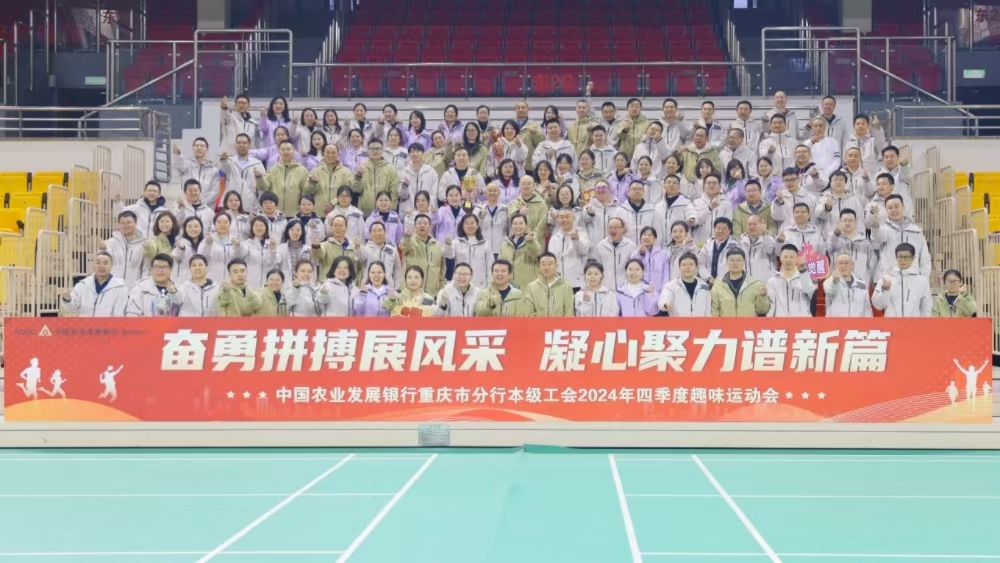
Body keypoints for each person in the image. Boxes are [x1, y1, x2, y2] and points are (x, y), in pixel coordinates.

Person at [871, 194, 930, 278]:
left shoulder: (916, 231)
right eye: (890, 208)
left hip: (913, 279)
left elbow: (925, 259)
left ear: (903, 207)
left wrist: (923, 279)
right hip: (890, 279)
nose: (893, 210)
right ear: (886, 211)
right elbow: (876, 236)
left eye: (896, 206)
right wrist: (875, 225)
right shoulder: (884, 230)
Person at [58, 251, 128, 317]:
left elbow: (119, 314)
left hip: (109, 326)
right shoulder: (83, 285)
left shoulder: (120, 287)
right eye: (98, 263)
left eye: (105, 263)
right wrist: (67, 298)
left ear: (111, 266)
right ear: (93, 265)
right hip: (85, 325)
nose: (101, 266)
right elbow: (70, 308)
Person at [872, 243, 932, 317]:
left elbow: (926, 307)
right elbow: (878, 305)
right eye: (900, 256)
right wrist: (884, 290)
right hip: (892, 323)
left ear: (913, 258)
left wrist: (924, 323)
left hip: (914, 323)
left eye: (906, 257)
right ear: (896, 257)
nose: (903, 260)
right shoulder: (886, 279)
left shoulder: (921, 281)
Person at [710, 247, 770, 317]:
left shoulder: (755, 283)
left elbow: (762, 310)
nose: (735, 263)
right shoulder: (718, 285)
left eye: (738, 260)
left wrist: (762, 296)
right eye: (732, 260)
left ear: (744, 262)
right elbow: (714, 310)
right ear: (726, 262)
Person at [259, 140, 313, 217]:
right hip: (276, 214)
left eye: (288, 149)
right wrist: (259, 178)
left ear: (293, 151)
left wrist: (313, 181)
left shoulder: (302, 170)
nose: (286, 152)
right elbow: (265, 187)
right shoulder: (273, 170)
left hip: (295, 214)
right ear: (279, 151)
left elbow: (306, 192)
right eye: (283, 149)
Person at [172, 137, 227, 209]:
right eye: (196, 146)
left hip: (206, 208)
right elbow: (178, 163)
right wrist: (178, 154)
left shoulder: (213, 170)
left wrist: (199, 203)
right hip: (187, 207)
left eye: (202, 146)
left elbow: (215, 192)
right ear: (193, 148)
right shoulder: (187, 166)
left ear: (207, 149)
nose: (199, 148)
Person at [765, 244, 816, 317]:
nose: (788, 260)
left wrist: (803, 270)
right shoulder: (772, 281)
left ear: (797, 258)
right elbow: (771, 305)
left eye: (792, 257)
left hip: (801, 321)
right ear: (780, 258)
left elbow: (810, 292)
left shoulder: (803, 277)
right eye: (785, 257)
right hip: (780, 322)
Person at [401, 214, 446, 296]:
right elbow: (403, 246)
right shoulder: (410, 241)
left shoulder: (438, 245)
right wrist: (406, 237)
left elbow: (442, 269)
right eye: (419, 223)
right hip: (411, 292)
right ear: (414, 227)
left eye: (425, 223)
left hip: (432, 292)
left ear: (430, 227)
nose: (422, 225)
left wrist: (441, 286)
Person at [100, 210, 145, 289]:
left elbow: (146, 269)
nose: (125, 225)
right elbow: (102, 264)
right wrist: (102, 249)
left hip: (134, 290)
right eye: (122, 223)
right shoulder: (110, 243)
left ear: (135, 223)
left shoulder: (143, 244)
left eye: (128, 222)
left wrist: (142, 288)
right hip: (113, 289)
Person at [827, 209, 875, 284]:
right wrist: (836, 232)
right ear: (840, 222)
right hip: (838, 284)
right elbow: (830, 245)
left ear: (855, 222)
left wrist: (867, 280)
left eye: (850, 220)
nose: (847, 223)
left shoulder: (865, 242)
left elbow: (872, 265)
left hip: (860, 284)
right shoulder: (835, 239)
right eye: (844, 220)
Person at [549, 208, 591, 291]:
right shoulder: (554, 238)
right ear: (558, 219)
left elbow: (583, 251)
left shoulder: (581, 234)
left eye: (567, 217)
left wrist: (576, 240)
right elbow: (552, 260)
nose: (564, 219)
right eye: (561, 217)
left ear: (574, 218)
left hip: (577, 282)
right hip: (559, 282)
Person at [198, 212, 245, 286]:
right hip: (212, 280)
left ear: (230, 224)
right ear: (214, 224)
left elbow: (240, 259)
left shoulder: (235, 240)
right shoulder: (208, 239)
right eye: (219, 222)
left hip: (231, 280)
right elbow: (201, 258)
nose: (222, 225)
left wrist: (238, 247)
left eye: (225, 222)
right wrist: (208, 244)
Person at [658, 253, 711, 317]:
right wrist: (666, 304)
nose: (687, 267)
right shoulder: (671, 286)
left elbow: (708, 311)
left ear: (696, 267)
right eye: (684, 265)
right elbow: (663, 300)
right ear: (679, 267)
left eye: (691, 264)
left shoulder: (704, 287)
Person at [814, 170, 864, 240]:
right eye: (835, 180)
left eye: (841, 180)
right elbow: (818, 215)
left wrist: (859, 238)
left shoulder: (854, 200)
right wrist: (826, 208)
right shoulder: (823, 198)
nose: (838, 182)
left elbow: (860, 221)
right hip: (829, 240)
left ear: (846, 183)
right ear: (830, 183)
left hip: (851, 240)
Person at [308, 144, 355, 215]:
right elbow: (308, 191)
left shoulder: (346, 172)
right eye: (327, 152)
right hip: (319, 213)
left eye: (333, 152)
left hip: (340, 214)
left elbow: (348, 192)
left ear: (338, 154)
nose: (330, 155)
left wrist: (333, 203)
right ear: (323, 154)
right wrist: (313, 182)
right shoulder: (315, 171)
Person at [311, 214, 360, 282]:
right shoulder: (325, 245)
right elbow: (318, 255)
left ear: (346, 227)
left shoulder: (353, 245)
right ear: (331, 227)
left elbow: (359, 264)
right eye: (335, 225)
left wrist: (358, 249)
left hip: (349, 284)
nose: (338, 228)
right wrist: (316, 246)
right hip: (328, 283)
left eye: (340, 226)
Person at [524, 252, 575, 316]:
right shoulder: (531, 287)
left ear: (556, 266)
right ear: (539, 267)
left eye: (550, 264)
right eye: (543, 264)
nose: (546, 267)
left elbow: (569, 313)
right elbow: (529, 313)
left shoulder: (566, 286)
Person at [823, 252, 872, 317]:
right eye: (840, 263)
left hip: (857, 323)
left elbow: (867, 309)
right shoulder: (829, 282)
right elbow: (829, 291)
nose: (843, 266)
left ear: (852, 265)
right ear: (835, 265)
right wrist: (835, 281)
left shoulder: (862, 284)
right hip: (835, 322)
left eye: (846, 263)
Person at [500, 215, 542, 288]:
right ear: (511, 226)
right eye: (515, 224)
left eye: (521, 223)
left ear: (526, 225)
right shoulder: (505, 243)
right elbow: (500, 264)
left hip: (528, 286)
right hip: (510, 287)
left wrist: (530, 242)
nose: (518, 226)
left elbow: (537, 254)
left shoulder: (532, 240)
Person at [595, 217, 638, 290]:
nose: (613, 230)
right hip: (606, 288)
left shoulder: (631, 246)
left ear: (623, 229)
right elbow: (597, 269)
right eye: (610, 227)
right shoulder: (601, 246)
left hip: (626, 288)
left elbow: (635, 268)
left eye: (616, 227)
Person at [771, 167, 818, 233]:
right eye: (787, 180)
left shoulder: (810, 198)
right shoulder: (778, 199)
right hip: (786, 234)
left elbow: (814, 221)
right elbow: (778, 217)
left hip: (805, 234)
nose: (790, 182)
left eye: (793, 179)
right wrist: (780, 202)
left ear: (799, 179)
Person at [400, 143, 441, 216]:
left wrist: (428, 211)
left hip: (426, 213)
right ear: (409, 154)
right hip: (409, 212)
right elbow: (402, 196)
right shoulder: (404, 172)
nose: (415, 154)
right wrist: (404, 186)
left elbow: (433, 194)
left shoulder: (431, 172)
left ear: (423, 154)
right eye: (412, 152)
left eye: (418, 151)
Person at [691, 173, 733, 245]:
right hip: (699, 243)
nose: (711, 185)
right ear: (703, 186)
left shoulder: (726, 204)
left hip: (719, 244)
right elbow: (696, 222)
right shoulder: (696, 203)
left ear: (720, 186)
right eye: (708, 183)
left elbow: (727, 226)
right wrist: (710, 208)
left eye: (714, 183)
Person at [359, 221, 402, 288]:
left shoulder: (392, 250)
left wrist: (397, 288)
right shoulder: (365, 249)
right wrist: (357, 248)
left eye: (380, 230)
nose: (377, 233)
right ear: (370, 234)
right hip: (369, 288)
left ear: (385, 232)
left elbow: (397, 271)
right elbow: (358, 259)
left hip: (389, 288)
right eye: (374, 231)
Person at [654, 174, 696, 241]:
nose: (671, 184)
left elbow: (691, 215)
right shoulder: (658, 206)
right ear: (664, 186)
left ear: (679, 186)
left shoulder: (686, 203)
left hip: (679, 242)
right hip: (661, 243)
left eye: (675, 183)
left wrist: (691, 219)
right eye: (669, 182)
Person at [276, 219, 314, 291]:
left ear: (302, 232)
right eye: (292, 230)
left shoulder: (308, 249)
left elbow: (313, 269)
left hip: (306, 286)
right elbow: (276, 267)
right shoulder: (281, 249)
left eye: (298, 230)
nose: (295, 232)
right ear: (287, 231)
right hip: (285, 286)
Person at [509, 175, 549, 242]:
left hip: (536, 242)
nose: (526, 186)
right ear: (519, 186)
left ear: (534, 186)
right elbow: (510, 217)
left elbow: (542, 225)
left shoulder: (541, 204)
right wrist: (519, 213)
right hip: (517, 241)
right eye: (523, 184)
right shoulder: (514, 203)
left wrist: (532, 236)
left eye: (529, 184)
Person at [698, 217, 737, 284]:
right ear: (714, 229)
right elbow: (700, 264)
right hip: (709, 283)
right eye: (718, 228)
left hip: (728, 284)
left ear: (730, 230)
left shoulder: (735, 246)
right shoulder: (707, 245)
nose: (720, 231)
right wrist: (708, 278)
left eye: (724, 229)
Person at [739, 214, 778, 280]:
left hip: (766, 283)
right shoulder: (742, 243)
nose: (752, 227)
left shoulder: (769, 240)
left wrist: (764, 234)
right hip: (748, 283)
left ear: (761, 225)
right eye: (749, 224)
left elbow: (770, 250)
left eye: (755, 224)